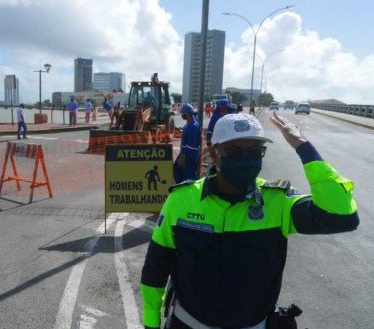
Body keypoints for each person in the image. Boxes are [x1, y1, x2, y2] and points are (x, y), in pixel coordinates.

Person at [140, 112, 359, 329]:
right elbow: (156, 267)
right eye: (234, 151)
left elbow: (342, 215)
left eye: (255, 151)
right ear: (214, 154)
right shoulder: (181, 200)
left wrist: (303, 146)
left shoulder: (278, 201)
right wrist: (151, 321)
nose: (246, 160)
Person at [173, 104, 201, 183]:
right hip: (186, 153)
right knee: (177, 168)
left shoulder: (193, 126)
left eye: (183, 113)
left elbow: (191, 145)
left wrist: (183, 156)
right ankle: (182, 186)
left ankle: (191, 191)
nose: (182, 115)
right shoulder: (189, 123)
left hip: (190, 154)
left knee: (189, 175)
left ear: (188, 113)